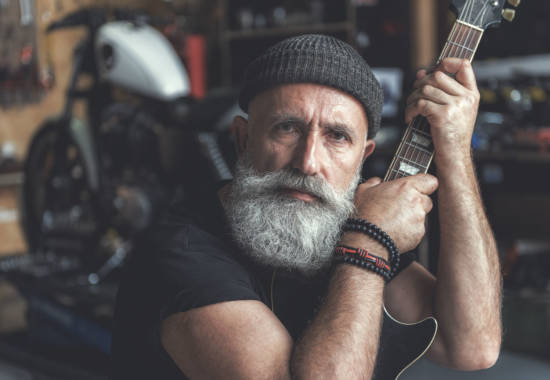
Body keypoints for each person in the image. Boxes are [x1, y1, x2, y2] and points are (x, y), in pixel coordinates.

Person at [110, 34, 501, 379]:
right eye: (287, 128)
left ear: (362, 158)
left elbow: (472, 346)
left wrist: (453, 149)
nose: (308, 162)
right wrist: (369, 246)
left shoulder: (341, 222)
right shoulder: (181, 251)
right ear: (243, 139)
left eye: (337, 136)